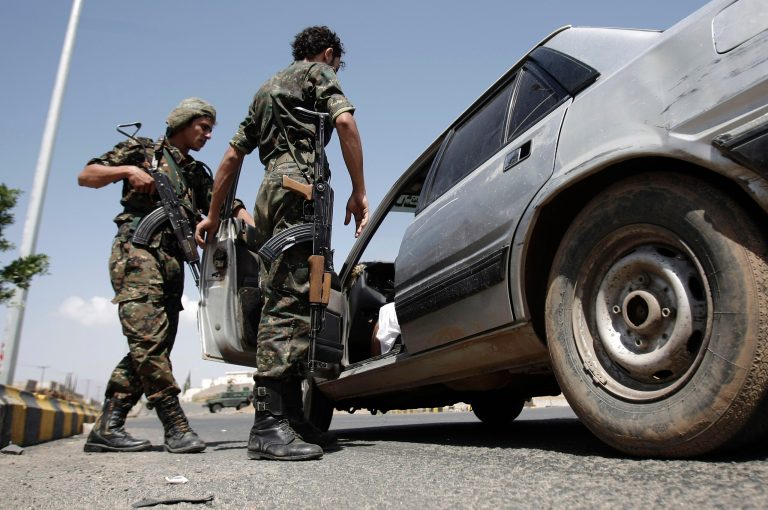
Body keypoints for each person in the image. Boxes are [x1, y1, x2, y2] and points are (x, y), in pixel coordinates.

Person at [195, 26, 369, 461]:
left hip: (271, 190)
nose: (335, 69)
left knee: (298, 295)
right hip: (300, 188)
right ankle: (267, 423)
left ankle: (291, 414)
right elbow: (345, 121)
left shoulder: (263, 91)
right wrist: (359, 190)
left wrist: (213, 215)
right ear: (327, 53)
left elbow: (232, 157)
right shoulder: (317, 74)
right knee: (290, 298)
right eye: (337, 62)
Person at [78, 97, 251, 454]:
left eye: (211, 129)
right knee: (149, 342)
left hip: (173, 261)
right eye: (203, 127)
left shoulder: (196, 172)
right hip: (137, 253)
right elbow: (87, 176)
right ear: (184, 123)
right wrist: (128, 171)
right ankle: (175, 425)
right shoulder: (142, 151)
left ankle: (107, 427)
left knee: (155, 344)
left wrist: (252, 228)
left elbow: (226, 204)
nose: (208, 135)